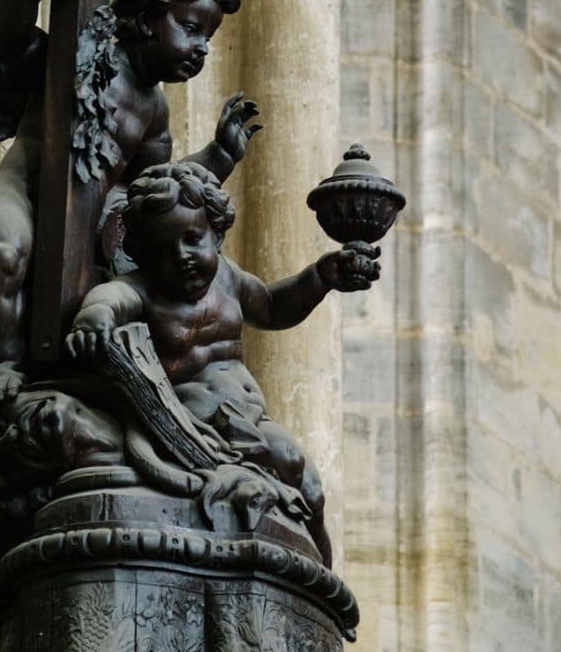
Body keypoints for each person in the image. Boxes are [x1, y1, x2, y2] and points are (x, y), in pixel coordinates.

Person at [0, 0, 261, 405]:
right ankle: (6, 362)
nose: (202, 47)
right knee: (4, 254)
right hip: (23, 193)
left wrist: (219, 156)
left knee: (115, 302)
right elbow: (8, 28)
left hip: (84, 228)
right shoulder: (78, 54)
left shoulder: (153, 110)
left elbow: (155, 191)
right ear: (146, 19)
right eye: (190, 28)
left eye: (209, 36)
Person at [65, 162, 382, 567]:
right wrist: (94, 320)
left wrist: (321, 276)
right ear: (141, 253)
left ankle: (322, 575)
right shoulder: (141, 292)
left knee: (313, 490)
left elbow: (271, 306)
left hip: (250, 416)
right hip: (201, 422)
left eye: (192, 239)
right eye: (163, 249)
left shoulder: (227, 279)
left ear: (215, 234)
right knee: (289, 459)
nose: (182, 256)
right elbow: (108, 299)